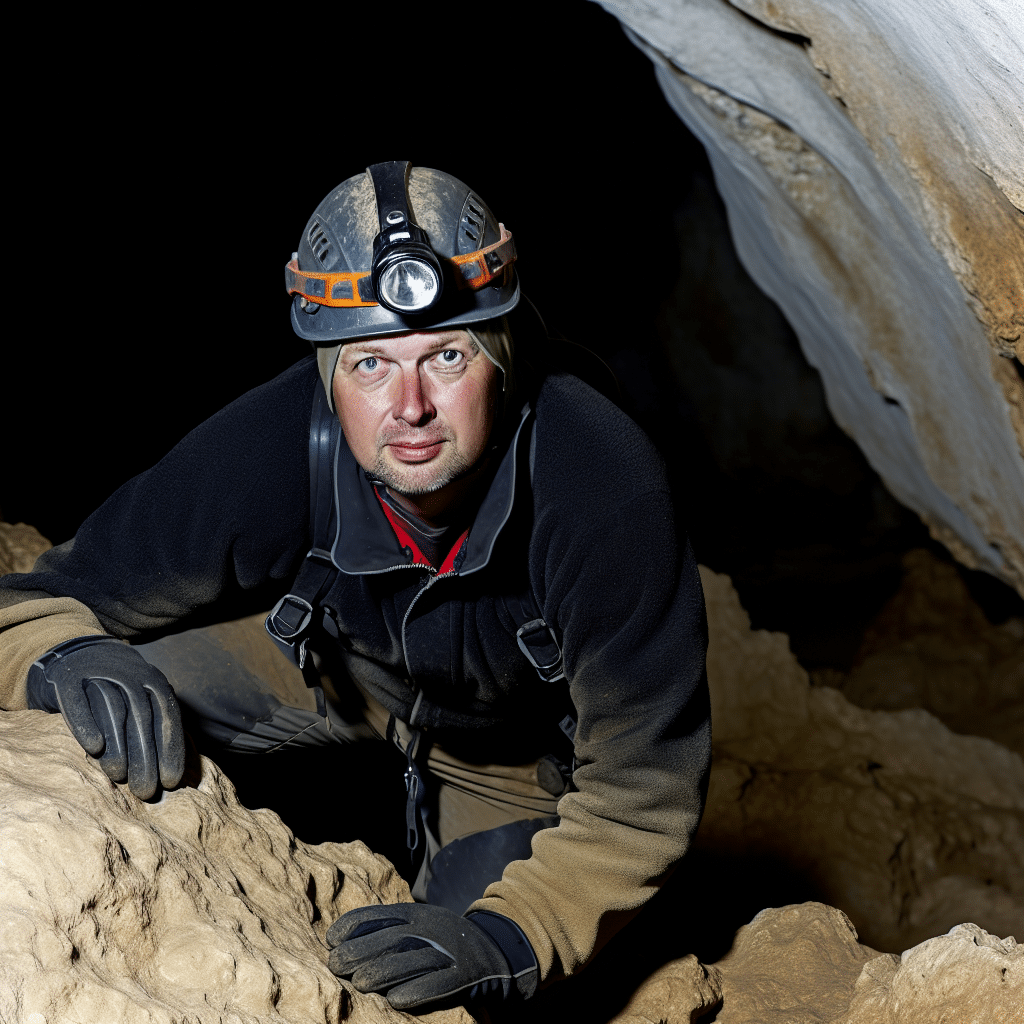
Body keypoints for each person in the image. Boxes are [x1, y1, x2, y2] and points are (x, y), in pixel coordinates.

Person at [0, 161, 711, 1011]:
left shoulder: (602, 486)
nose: (407, 406)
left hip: (510, 760)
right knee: (100, 709)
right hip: (333, 665)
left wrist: (510, 935)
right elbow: (40, 597)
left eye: (446, 355)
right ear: (328, 373)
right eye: (370, 364)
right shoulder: (278, 443)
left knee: (460, 986)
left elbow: (642, 801)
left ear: (505, 356)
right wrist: (58, 654)